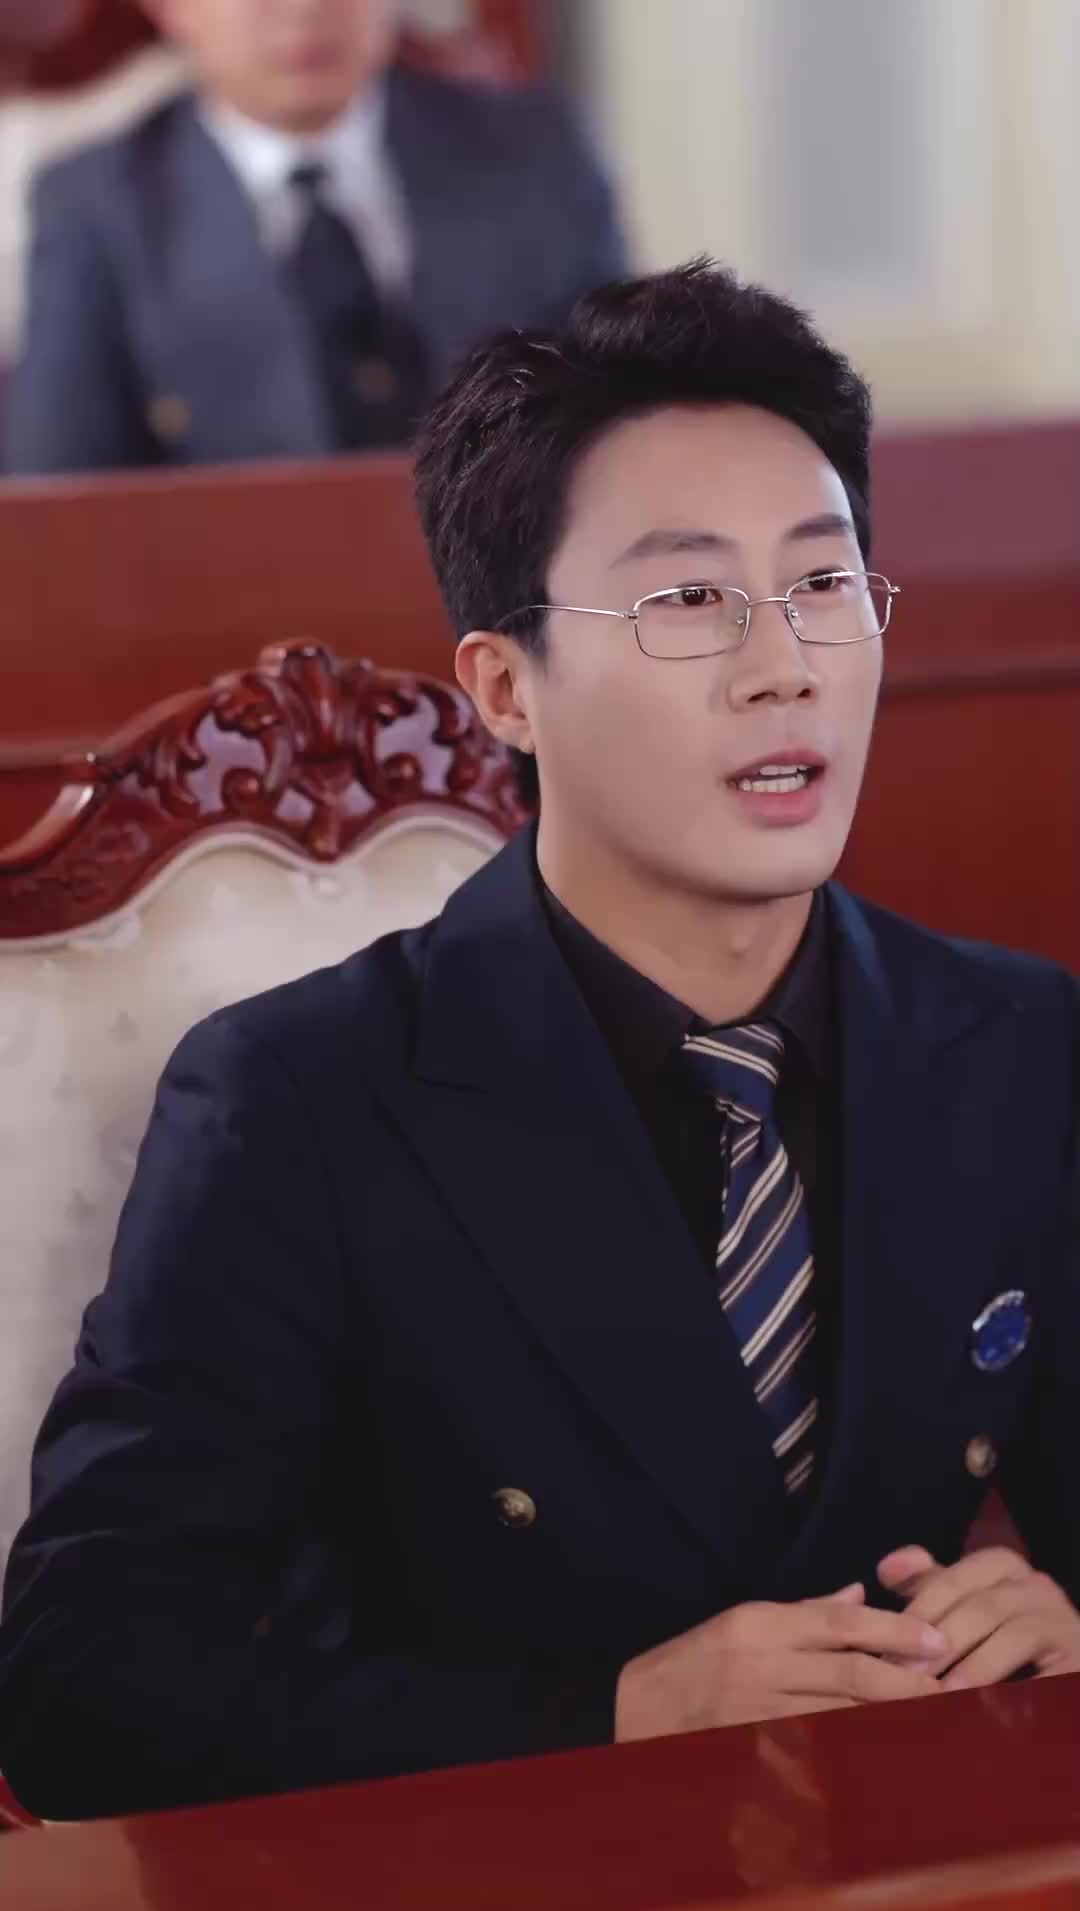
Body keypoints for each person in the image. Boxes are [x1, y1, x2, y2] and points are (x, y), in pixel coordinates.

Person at [1, 260, 1078, 1821]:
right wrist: (614, 1712)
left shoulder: (1020, 1043)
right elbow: (83, 1689)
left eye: (825, 584)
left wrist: (1059, 1623)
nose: (786, 664)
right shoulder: (299, 1100)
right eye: (690, 599)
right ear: (505, 688)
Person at [2, 0, 624, 472]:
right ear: (168, 8)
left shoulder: (536, 152)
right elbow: (60, 499)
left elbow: (626, 418)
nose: (304, 11)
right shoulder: (93, 207)